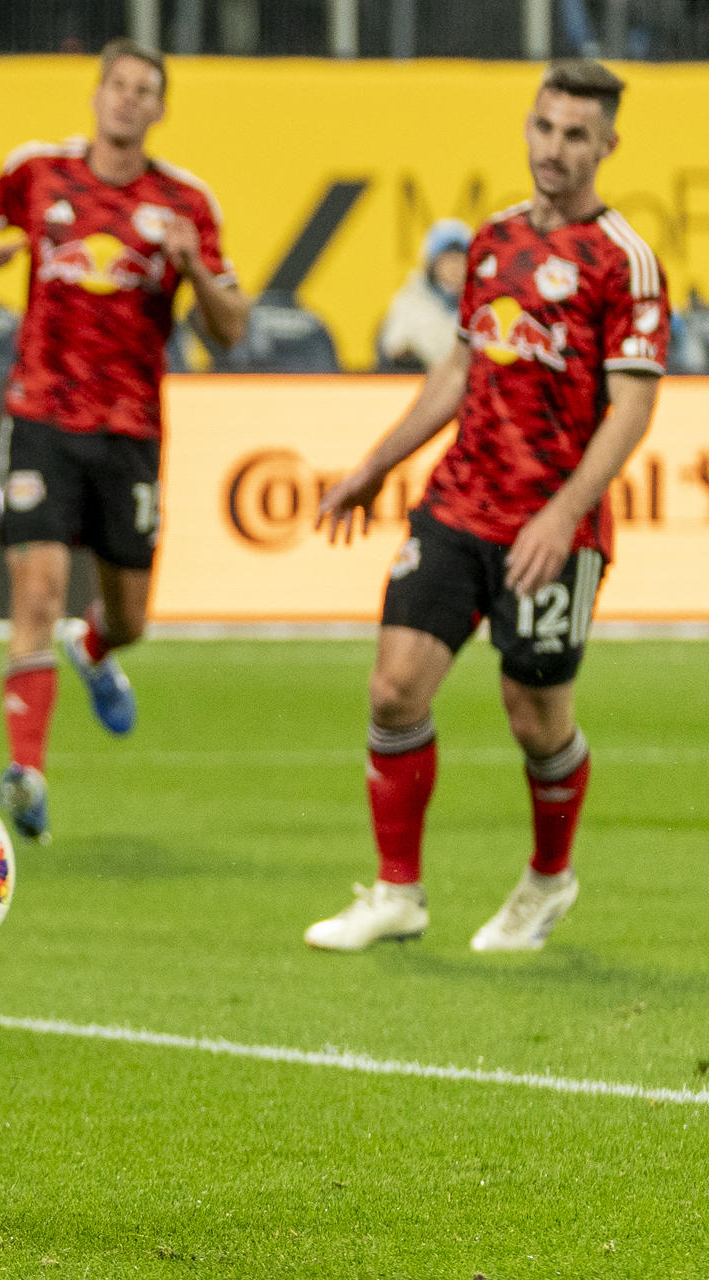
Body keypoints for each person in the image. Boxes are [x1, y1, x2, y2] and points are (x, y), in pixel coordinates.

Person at [306, 60, 666, 953]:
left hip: (557, 530)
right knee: (393, 692)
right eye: (545, 128)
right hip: (459, 506)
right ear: (528, 128)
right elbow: (460, 375)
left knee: (534, 718)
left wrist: (561, 513)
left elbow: (633, 408)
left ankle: (548, 881)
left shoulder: (624, 262)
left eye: (577, 135)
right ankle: (398, 894)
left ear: (607, 147)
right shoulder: (498, 241)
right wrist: (373, 465)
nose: (556, 148)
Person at [0, 38, 249, 842]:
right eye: (118, 85)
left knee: (134, 618)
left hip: (131, 429)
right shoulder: (39, 172)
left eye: (146, 90)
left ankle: (95, 643)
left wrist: (198, 272)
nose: (128, 100)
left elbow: (233, 330)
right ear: (97, 94)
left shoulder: (185, 204)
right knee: (34, 594)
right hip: (41, 414)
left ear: (160, 109)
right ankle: (27, 772)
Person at [377, 218, 472, 372]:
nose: (455, 267)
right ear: (432, 265)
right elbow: (395, 349)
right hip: (420, 383)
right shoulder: (411, 300)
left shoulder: (481, 302)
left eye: (461, 259)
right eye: (447, 259)